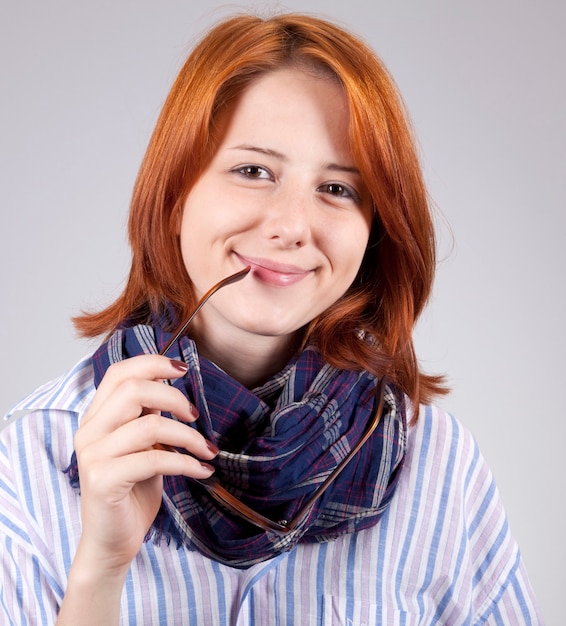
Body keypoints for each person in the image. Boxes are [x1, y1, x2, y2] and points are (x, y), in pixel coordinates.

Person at [0, 12, 543, 625]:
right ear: (176, 194)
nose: (291, 225)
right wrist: (100, 569)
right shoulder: (30, 456)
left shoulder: (438, 466)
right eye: (254, 171)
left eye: (338, 189)